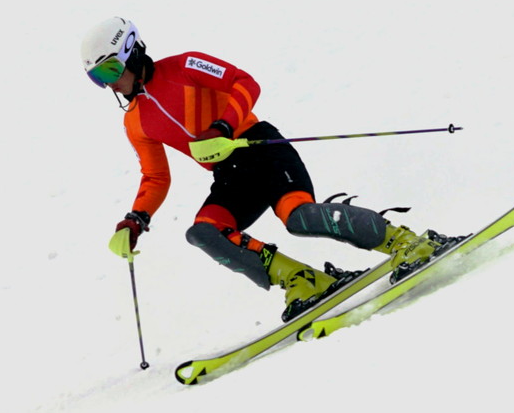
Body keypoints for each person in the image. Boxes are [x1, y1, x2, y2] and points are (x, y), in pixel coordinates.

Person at [80, 17, 463, 321]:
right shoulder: (135, 122)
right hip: (230, 176)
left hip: (259, 147)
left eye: (110, 71)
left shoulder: (184, 66)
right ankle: (303, 280)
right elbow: (156, 177)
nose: (110, 85)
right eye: (98, 79)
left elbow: (244, 83)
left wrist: (225, 126)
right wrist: (136, 219)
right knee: (204, 232)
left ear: (132, 52)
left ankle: (407, 243)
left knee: (299, 217)